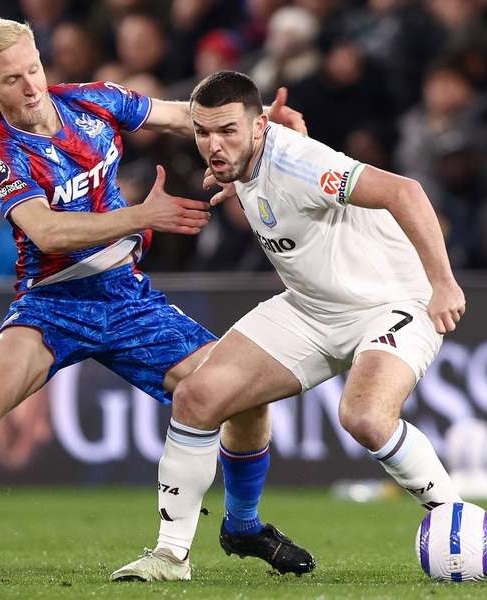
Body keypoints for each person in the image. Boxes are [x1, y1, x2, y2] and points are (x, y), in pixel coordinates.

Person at [0, 18, 312, 580]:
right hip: (52, 302)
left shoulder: (92, 102)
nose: (31, 87)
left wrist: (256, 126)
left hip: (128, 298)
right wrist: (141, 215)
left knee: (246, 396)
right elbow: (47, 232)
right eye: (12, 80)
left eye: (33, 69)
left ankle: (244, 525)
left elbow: (184, 116)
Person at [114, 71, 466, 579]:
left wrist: (444, 284)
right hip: (310, 307)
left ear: (258, 127)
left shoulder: (299, 162)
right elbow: (256, 162)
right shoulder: (245, 154)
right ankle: (171, 556)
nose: (214, 145)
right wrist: (242, 162)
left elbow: (405, 191)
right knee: (198, 395)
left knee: (365, 419)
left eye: (228, 131)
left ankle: (455, 520)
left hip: (391, 302)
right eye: (203, 132)